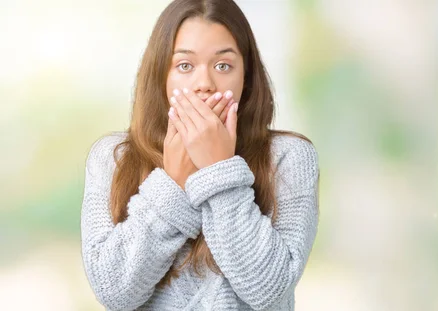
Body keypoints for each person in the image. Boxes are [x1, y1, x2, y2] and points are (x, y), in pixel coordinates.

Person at [80, 0, 319, 310]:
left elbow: (269, 290)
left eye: (223, 66)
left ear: (245, 77)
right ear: (161, 76)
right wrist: (173, 184)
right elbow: (114, 292)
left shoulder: (288, 158)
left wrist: (219, 170)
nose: (204, 84)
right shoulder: (113, 158)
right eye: (185, 66)